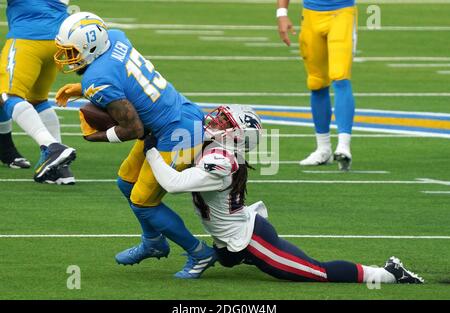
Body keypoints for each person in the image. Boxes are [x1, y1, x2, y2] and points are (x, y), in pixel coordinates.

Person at [143, 104, 424, 284]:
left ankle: (387, 273)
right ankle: (233, 254)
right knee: (227, 257)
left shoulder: (222, 161)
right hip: (232, 233)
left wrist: (150, 149)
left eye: (224, 123)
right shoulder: (218, 149)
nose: (215, 122)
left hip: (251, 239)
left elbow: (173, 183)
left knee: (316, 273)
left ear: (236, 136)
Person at [54, 12, 217, 278]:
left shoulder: (97, 78)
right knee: (126, 183)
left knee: (143, 202)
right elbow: (121, 77)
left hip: (178, 132)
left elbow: (133, 129)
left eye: (72, 51)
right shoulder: (116, 38)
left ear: (90, 47)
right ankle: (153, 242)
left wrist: (95, 136)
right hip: (171, 118)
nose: (68, 58)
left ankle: (199, 253)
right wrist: (84, 88)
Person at [0, 0, 76, 184]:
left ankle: (51, 147)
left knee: (7, 95)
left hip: (28, 37)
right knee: (38, 100)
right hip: (57, 41)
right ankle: (59, 169)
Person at [277, 0, 357, 171]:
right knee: (316, 82)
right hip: (311, 15)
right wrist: (282, 13)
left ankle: (343, 145)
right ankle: (323, 148)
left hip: (342, 12)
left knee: (340, 76)